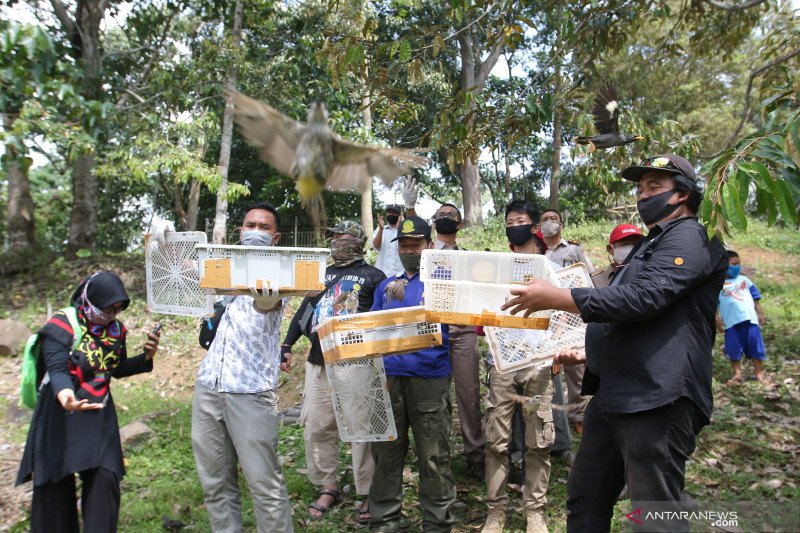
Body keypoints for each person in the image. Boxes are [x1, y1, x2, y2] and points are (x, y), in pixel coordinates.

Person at [504, 154, 728, 532]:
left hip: (658, 399)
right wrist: (592, 351)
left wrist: (559, 297)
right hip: (616, 393)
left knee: (654, 515)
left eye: (654, 187)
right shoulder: (652, 243)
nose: (643, 195)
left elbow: (645, 298)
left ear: (683, 194)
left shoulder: (690, 237)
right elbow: (637, 318)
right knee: (585, 497)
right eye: (640, 188)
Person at [17, 271, 161, 533]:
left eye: (118, 309)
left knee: (105, 478)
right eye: (108, 307)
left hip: (97, 412)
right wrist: (66, 397)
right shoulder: (61, 326)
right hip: (59, 414)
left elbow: (114, 368)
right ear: (91, 300)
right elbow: (58, 368)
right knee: (55, 490)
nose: (112, 314)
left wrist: (146, 358)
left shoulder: (115, 330)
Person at [192, 202, 293, 533]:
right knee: (216, 484)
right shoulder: (222, 269)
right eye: (251, 225)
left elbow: (272, 303)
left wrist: (266, 301)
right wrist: (163, 242)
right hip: (209, 386)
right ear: (240, 230)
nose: (256, 232)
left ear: (275, 237)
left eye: (264, 228)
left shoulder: (281, 272)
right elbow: (180, 270)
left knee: (265, 485)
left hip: (250, 392)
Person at [281, 220, 385, 523]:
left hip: (356, 362)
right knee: (317, 426)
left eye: (342, 237)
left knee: (362, 429)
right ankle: (328, 485)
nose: (336, 241)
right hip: (317, 362)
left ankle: (367, 491)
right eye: (334, 237)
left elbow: (382, 317)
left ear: (358, 241)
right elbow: (304, 312)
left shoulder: (374, 276)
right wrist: (286, 346)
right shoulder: (321, 274)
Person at [368, 215, 456, 532]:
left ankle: (436, 522)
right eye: (404, 245)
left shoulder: (444, 281)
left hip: (429, 378)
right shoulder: (386, 285)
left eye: (415, 244)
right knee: (386, 452)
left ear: (428, 245)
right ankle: (385, 520)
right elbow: (374, 329)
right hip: (389, 377)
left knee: (433, 454)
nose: (409, 250)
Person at [481, 199, 554, 533]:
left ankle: (534, 511)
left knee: (539, 439)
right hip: (503, 361)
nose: (514, 225)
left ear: (534, 225)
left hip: (539, 361)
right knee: (496, 439)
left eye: (520, 219)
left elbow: (566, 314)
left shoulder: (550, 267)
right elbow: (482, 311)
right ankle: (495, 512)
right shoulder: (497, 267)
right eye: (509, 221)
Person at [407, 198, 486, 479]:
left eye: (450, 214)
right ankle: (433, 457)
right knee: (432, 397)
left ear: (460, 223)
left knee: (469, 395)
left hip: (462, 332)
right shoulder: (422, 254)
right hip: (430, 332)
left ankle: (475, 455)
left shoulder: (468, 257)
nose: (445, 217)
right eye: (440, 214)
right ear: (433, 222)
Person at [540, 208, 594, 435]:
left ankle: (579, 416)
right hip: (545, 316)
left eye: (554, 219)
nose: (550, 222)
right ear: (539, 226)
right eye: (545, 219)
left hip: (571, 315)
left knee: (575, 370)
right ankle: (551, 420)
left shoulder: (574, 249)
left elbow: (589, 276)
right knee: (545, 367)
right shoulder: (536, 251)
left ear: (561, 224)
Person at [716, 250, 768, 385]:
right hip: (731, 323)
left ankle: (758, 373)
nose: (736, 267)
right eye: (733, 264)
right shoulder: (718, 285)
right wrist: (717, 320)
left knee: (756, 347)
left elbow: (756, 300)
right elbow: (714, 305)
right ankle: (737, 374)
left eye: (738, 264)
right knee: (733, 349)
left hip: (750, 320)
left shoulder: (744, 280)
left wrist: (760, 314)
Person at [591, 223, 644, 288]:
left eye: (636, 244)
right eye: (624, 244)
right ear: (610, 249)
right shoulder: (597, 281)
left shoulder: (649, 274)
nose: (632, 248)